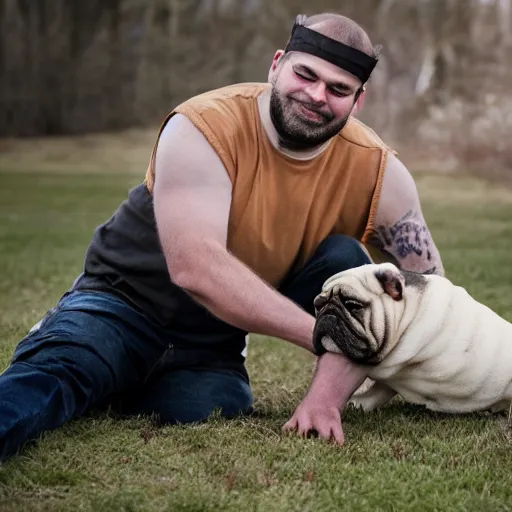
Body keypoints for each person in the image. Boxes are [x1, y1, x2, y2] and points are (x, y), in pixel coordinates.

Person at [0, 12, 444, 461]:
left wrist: (449, 377)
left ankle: (116, 378)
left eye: (338, 89)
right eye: (305, 74)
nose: (316, 95)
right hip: (122, 304)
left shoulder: (378, 170)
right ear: (276, 65)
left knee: (342, 265)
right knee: (59, 375)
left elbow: (433, 294)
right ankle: (71, 343)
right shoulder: (204, 125)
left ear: (358, 101)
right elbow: (196, 268)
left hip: (211, 340)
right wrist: (328, 335)